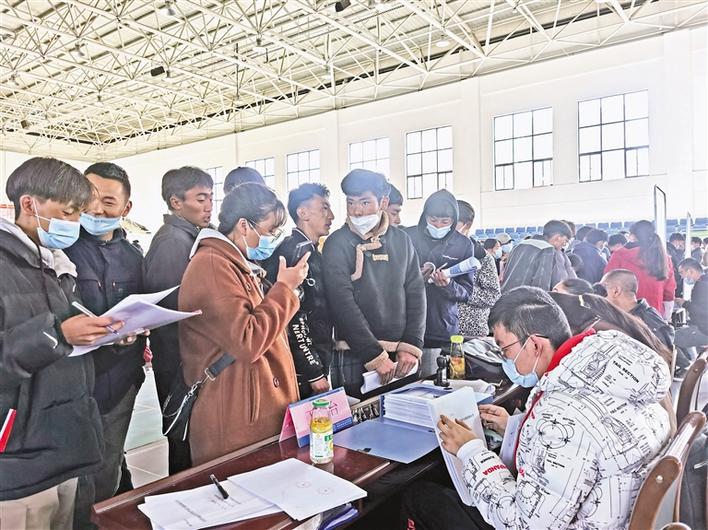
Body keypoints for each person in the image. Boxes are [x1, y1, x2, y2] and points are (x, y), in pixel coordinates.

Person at [401, 286, 672, 530]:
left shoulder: (562, 413)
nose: (504, 359)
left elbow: (522, 523)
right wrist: (517, 429)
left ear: (533, 344)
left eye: (504, 349)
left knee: (419, 496)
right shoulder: (611, 377)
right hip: (609, 515)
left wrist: (470, 451)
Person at [0, 157, 124, 530]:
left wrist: (105, 333)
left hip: (67, 443)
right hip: (19, 458)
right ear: (29, 204)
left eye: (78, 213)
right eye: (68, 212)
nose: (74, 223)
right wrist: (57, 335)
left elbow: (66, 333)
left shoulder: (56, 263)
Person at [179, 183, 308, 465]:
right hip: (234, 409)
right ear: (243, 225)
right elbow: (248, 341)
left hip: (250, 402)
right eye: (269, 231)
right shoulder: (212, 265)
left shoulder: (235, 263)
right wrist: (285, 290)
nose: (272, 239)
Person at [64, 163, 146, 524]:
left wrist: (139, 329)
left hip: (119, 380)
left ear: (126, 208)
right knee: (74, 474)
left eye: (108, 202)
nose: (96, 210)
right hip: (72, 381)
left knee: (106, 467)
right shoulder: (62, 249)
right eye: (90, 198)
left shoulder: (134, 257)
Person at [322, 169, 426, 397]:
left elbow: (416, 292)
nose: (356, 211)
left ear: (383, 202)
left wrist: (411, 344)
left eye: (365, 202)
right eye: (350, 203)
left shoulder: (402, 240)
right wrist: (373, 355)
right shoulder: (337, 243)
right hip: (355, 353)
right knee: (358, 416)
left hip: (402, 355)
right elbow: (341, 302)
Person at [143, 166, 213, 474]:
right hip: (179, 362)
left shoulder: (191, 236)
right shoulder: (172, 242)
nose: (208, 206)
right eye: (200, 198)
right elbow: (171, 306)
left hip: (188, 358)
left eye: (211, 197)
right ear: (176, 202)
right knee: (184, 442)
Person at [265, 183, 335, 398]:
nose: (331, 216)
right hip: (300, 370)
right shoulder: (294, 253)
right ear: (302, 212)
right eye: (324, 208)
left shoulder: (312, 252)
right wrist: (312, 370)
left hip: (317, 358)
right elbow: (292, 316)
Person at [405, 190, 475, 374]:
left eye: (445, 222)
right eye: (433, 220)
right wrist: (414, 278)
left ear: (454, 220)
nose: (438, 226)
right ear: (425, 216)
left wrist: (448, 285)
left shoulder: (463, 244)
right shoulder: (407, 237)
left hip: (441, 325)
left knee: (439, 378)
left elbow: (467, 292)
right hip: (406, 325)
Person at [605, 220, 676, 317]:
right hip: (655, 314)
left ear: (633, 236)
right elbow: (669, 291)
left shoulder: (619, 255)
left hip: (624, 314)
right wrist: (666, 316)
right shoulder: (663, 257)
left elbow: (608, 283)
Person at [600, 269, 675, 352]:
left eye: (604, 290)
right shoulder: (625, 317)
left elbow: (663, 355)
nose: (600, 297)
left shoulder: (648, 322)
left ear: (616, 291)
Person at [500, 219, 576, 292]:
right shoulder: (548, 250)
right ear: (557, 238)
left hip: (506, 295)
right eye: (565, 241)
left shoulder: (519, 245)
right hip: (526, 299)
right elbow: (542, 285)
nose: (564, 245)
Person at [458, 238, 501, 337]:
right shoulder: (436, 254)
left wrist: (461, 291)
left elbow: (493, 296)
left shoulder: (483, 258)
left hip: (471, 332)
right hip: (438, 329)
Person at [675, 257, 708, 356]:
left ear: (690, 271)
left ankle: (684, 363)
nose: (681, 277)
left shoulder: (702, 285)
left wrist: (685, 304)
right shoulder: (704, 281)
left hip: (703, 329)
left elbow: (702, 311)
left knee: (671, 338)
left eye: (682, 273)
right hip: (702, 326)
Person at [667, 232, 686, 298]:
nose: (683, 245)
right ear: (676, 241)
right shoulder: (670, 250)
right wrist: (680, 251)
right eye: (682, 243)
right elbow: (678, 263)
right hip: (674, 279)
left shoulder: (669, 249)